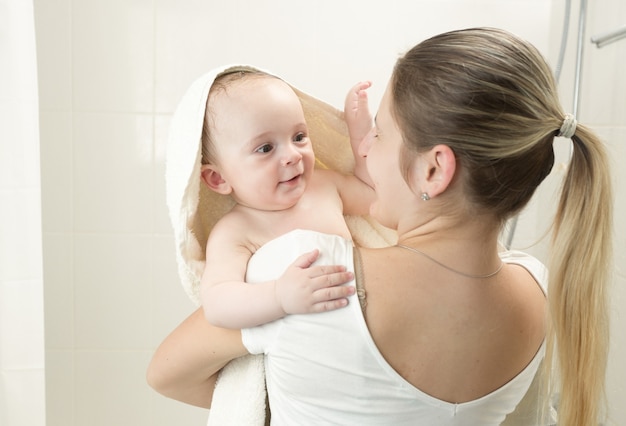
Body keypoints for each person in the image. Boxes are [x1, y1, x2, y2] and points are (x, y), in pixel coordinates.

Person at [148, 28, 612, 426]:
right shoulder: (538, 292)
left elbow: (165, 373)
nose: (363, 148)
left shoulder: (310, 274)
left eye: (380, 132)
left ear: (433, 171)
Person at [195, 69, 375, 329]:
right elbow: (217, 302)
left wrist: (359, 135)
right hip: (302, 348)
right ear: (218, 179)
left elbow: (372, 193)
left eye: (299, 137)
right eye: (265, 148)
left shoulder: (323, 187)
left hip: (363, 329)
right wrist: (279, 296)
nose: (293, 155)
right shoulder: (235, 231)